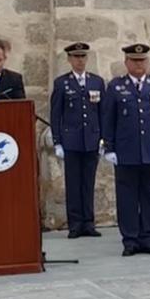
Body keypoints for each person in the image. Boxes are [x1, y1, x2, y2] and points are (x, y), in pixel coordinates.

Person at [102, 43, 150, 256]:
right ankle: (130, 239)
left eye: (142, 60)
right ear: (126, 62)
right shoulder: (116, 87)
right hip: (126, 151)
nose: (138, 64)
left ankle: (148, 237)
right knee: (127, 196)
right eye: (134, 60)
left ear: (147, 61)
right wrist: (109, 147)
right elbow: (109, 119)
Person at [50, 42, 105, 238]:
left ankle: (88, 222)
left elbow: (102, 112)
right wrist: (57, 141)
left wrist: (103, 139)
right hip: (71, 141)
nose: (79, 60)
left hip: (91, 139)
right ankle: (75, 224)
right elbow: (56, 115)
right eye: (76, 57)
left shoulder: (96, 82)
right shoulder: (62, 83)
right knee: (73, 183)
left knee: (88, 182)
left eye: (82, 57)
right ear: (69, 59)